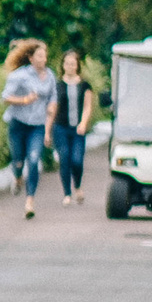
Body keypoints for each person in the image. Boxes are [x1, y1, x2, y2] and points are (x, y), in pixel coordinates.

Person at [0, 39, 55, 220]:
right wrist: (24, 100)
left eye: (44, 55)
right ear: (30, 58)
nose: (43, 59)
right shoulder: (20, 76)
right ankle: (17, 176)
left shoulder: (50, 77)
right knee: (18, 161)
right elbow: (5, 97)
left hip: (37, 126)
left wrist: (47, 130)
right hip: (19, 124)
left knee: (33, 160)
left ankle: (29, 201)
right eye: (39, 55)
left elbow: (52, 103)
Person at [47, 49, 96, 205]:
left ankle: (78, 185)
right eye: (67, 63)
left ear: (77, 65)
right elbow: (52, 108)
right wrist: (47, 131)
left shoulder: (84, 85)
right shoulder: (57, 85)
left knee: (77, 160)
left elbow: (88, 106)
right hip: (60, 127)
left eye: (73, 63)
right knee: (64, 158)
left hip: (77, 129)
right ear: (63, 65)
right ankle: (67, 193)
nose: (70, 66)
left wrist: (83, 122)